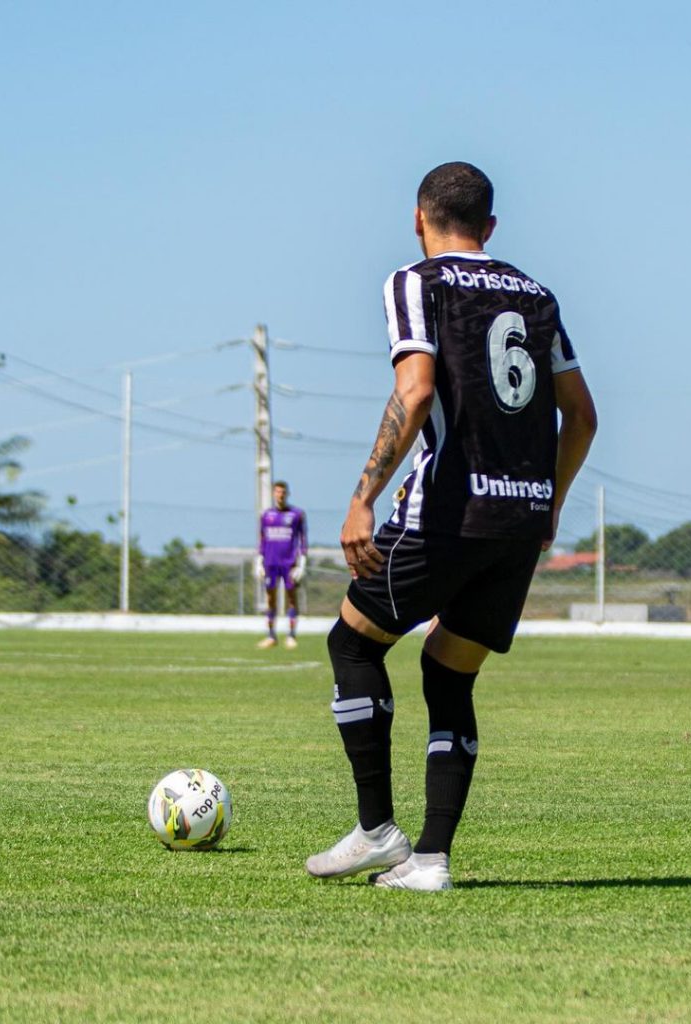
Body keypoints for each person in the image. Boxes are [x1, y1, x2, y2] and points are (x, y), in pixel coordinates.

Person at [306, 161, 597, 891]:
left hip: (448, 509)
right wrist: (551, 502)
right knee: (447, 670)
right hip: (520, 515)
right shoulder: (537, 296)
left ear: (418, 218)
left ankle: (377, 831)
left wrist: (362, 497)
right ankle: (431, 860)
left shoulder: (415, 282)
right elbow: (583, 416)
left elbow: (416, 388)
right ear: (490, 227)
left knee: (352, 642)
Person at [256, 480, 307, 650]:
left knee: (291, 597)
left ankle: (291, 635)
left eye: (283, 492)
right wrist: (259, 561)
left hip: (289, 563)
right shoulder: (266, 515)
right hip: (271, 563)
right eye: (277, 492)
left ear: (287, 494)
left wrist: (302, 564)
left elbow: (302, 540)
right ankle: (271, 636)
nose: (280, 495)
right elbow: (262, 539)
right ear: (273, 493)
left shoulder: (296, 515)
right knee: (270, 598)